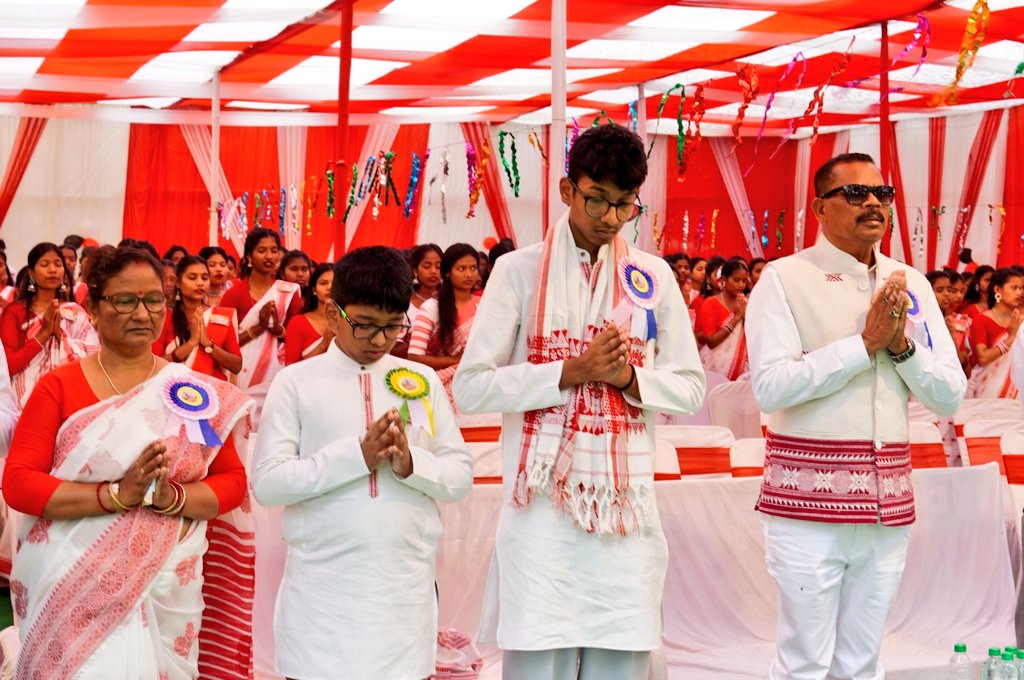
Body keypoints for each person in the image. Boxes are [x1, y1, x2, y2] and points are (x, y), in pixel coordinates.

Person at [453, 124, 705, 680]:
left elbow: (689, 388)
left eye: (624, 206)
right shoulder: (517, 271)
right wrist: (571, 371)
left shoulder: (652, 275)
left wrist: (629, 379)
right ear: (568, 191)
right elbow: (470, 386)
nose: (610, 218)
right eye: (596, 200)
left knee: (621, 656)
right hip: (541, 511)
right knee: (537, 659)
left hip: (624, 514)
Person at [746, 152, 965, 680]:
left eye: (881, 194)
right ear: (820, 208)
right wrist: (862, 346)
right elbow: (771, 387)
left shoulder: (908, 280)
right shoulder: (784, 278)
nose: (872, 203)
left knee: (862, 662)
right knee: (804, 661)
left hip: (885, 509)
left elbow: (950, 396)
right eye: (855, 194)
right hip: (806, 509)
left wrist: (902, 349)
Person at [3, 245, 254, 679]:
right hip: (75, 582)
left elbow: (232, 481)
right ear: (94, 310)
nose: (143, 312)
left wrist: (171, 496)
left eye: (154, 299)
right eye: (125, 300)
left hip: (165, 584)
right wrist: (117, 495)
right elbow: (21, 484)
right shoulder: (58, 387)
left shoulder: (191, 392)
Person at [252, 246, 472, 680]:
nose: (378, 341)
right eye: (366, 326)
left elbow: (460, 475)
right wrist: (357, 456)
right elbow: (269, 482)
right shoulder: (296, 382)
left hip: (402, 588)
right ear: (333, 315)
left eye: (392, 327)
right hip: (323, 591)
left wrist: (412, 464)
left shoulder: (422, 380)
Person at [0, 242, 99, 408]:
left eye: (58, 264)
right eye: (45, 264)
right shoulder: (15, 312)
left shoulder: (73, 311)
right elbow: (8, 366)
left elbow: (93, 356)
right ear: (31, 272)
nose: (52, 270)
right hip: (24, 400)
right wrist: (44, 333)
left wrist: (61, 336)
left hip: (66, 394)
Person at [220, 228, 302, 425]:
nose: (269, 256)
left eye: (274, 250)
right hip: (240, 373)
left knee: (272, 423)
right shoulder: (234, 294)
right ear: (249, 255)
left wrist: (277, 330)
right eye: (262, 250)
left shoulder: (287, 292)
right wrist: (258, 327)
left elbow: (297, 340)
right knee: (240, 424)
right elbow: (223, 343)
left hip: (276, 372)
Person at [408, 243, 479, 406]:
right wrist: (453, 360)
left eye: (473, 268)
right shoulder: (431, 308)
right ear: (447, 273)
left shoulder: (483, 306)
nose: (469, 274)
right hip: (442, 388)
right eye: (461, 269)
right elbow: (414, 356)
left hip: (477, 384)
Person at [153, 255, 243, 381]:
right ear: (178, 283)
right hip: (172, 392)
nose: (200, 282)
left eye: (204, 278)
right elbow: (154, 364)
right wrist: (190, 344)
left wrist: (208, 344)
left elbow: (236, 365)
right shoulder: (164, 316)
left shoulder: (221, 316)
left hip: (213, 394)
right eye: (192, 277)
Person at [968, 267, 1023, 399]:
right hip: (988, 394)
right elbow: (983, 358)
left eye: (1021, 288)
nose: (1019, 292)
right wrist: (1010, 338)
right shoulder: (981, 319)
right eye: (1014, 288)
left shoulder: (1021, 321)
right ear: (997, 290)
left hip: (1018, 394)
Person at [698, 258, 749, 380]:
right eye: (736, 280)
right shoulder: (711, 303)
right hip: (715, 369)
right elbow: (711, 342)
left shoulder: (745, 303)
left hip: (742, 369)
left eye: (744, 281)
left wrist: (746, 316)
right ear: (724, 279)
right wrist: (736, 318)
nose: (741, 285)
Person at [284, 262, 334, 365]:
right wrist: (324, 344)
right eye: (323, 283)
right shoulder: (298, 323)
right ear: (314, 290)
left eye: (335, 283)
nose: (329, 287)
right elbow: (290, 369)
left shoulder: (349, 320)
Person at [927, 270, 971, 376]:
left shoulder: (956, 323)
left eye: (949, 289)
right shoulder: (920, 322)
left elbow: (967, 372)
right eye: (940, 290)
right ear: (927, 292)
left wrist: (952, 338)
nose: (947, 294)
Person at [407, 243, 443, 328]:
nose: (433, 271)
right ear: (415, 270)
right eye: (427, 266)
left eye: (438, 266)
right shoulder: (405, 302)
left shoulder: (449, 300)